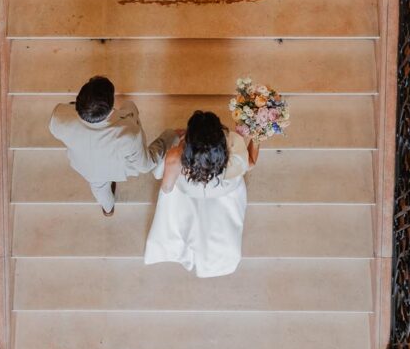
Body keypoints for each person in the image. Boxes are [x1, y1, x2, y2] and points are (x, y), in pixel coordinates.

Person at [144, 109, 259, 277]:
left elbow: (167, 188)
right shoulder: (233, 147)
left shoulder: (176, 157)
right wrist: (257, 137)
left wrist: (178, 152)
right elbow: (250, 163)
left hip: (189, 191)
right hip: (223, 190)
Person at [49, 75, 172, 217]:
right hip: (117, 167)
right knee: (129, 105)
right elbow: (144, 166)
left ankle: (108, 209)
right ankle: (171, 135)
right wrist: (168, 137)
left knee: (99, 189)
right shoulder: (128, 133)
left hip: (88, 168)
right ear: (110, 106)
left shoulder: (58, 117)